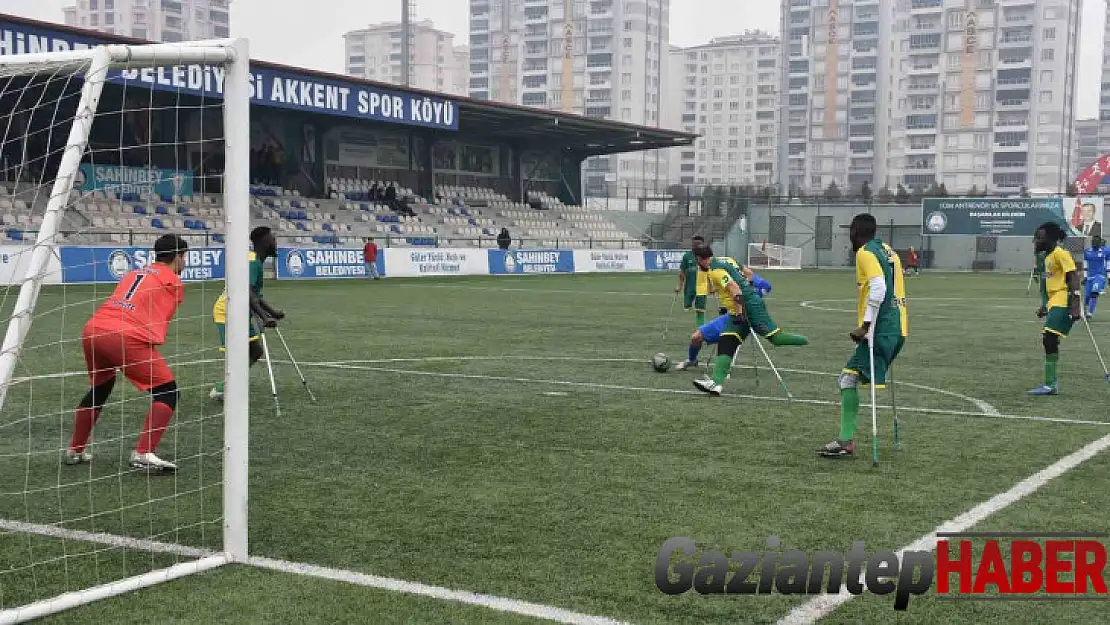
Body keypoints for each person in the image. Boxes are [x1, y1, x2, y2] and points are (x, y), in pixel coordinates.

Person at [65, 234, 190, 472]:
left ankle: (75, 450)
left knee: (101, 387)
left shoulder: (134, 273)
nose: (184, 263)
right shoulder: (173, 281)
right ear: (178, 256)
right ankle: (143, 453)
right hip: (123, 336)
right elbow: (156, 319)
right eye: (184, 257)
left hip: (93, 329)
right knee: (167, 391)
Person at [817, 214, 908, 458]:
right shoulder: (888, 250)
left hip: (880, 329)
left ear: (855, 232)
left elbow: (879, 287)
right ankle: (845, 440)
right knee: (850, 378)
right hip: (898, 326)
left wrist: (866, 326)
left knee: (847, 380)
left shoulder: (865, 253)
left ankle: (845, 442)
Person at [680, 249, 808, 396]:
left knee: (776, 338)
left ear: (699, 259)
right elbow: (746, 274)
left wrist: (740, 312)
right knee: (727, 340)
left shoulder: (716, 271)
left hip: (750, 306)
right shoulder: (726, 261)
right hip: (738, 308)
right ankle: (716, 384)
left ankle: (807, 341)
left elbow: (735, 289)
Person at [210, 227, 284, 401]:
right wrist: (265, 318)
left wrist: (272, 312)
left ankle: (229, 385)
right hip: (227, 312)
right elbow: (247, 292)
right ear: (264, 242)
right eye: (273, 239)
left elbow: (256, 296)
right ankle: (223, 389)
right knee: (237, 354)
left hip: (240, 312)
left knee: (256, 350)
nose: (275, 243)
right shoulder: (252, 261)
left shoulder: (256, 261)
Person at [1028, 222, 1083, 396]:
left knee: (1049, 338)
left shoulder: (1061, 253)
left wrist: (1075, 305)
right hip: (1054, 301)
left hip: (1063, 298)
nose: (1037, 241)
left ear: (1050, 239)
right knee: (1049, 339)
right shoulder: (1046, 257)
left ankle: (1051, 385)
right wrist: (1045, 306)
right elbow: (1047, 281)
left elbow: (1073, 277)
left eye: (1040, 238)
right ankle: (1051, 384)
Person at [676, 236, 709, 329]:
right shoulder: (687, 256)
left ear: (702, 244)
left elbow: (711, 272)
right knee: (687, 307)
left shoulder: (706, 256)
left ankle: (702, 329)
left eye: (698, 244)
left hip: (702, 287)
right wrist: (679, 285)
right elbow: (682, 272)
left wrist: (712, 286)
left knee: (700, 310)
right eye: (694, 244)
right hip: (689, 287)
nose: (695, 246)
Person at [1084, 235, 1107, 319]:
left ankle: (1090, 313)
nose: (1094, 243)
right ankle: (1085, 308)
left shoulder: (1105, 252)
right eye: (1093, 241)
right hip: (1090, 277)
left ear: (1100, 243)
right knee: (1087, 296)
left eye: (1096, 241)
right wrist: (1085, 277)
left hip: (1100, 276)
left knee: (1094, 293)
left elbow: (1108, 263)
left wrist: (1109, 276)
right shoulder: (1087, 251)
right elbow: (1086, 264)